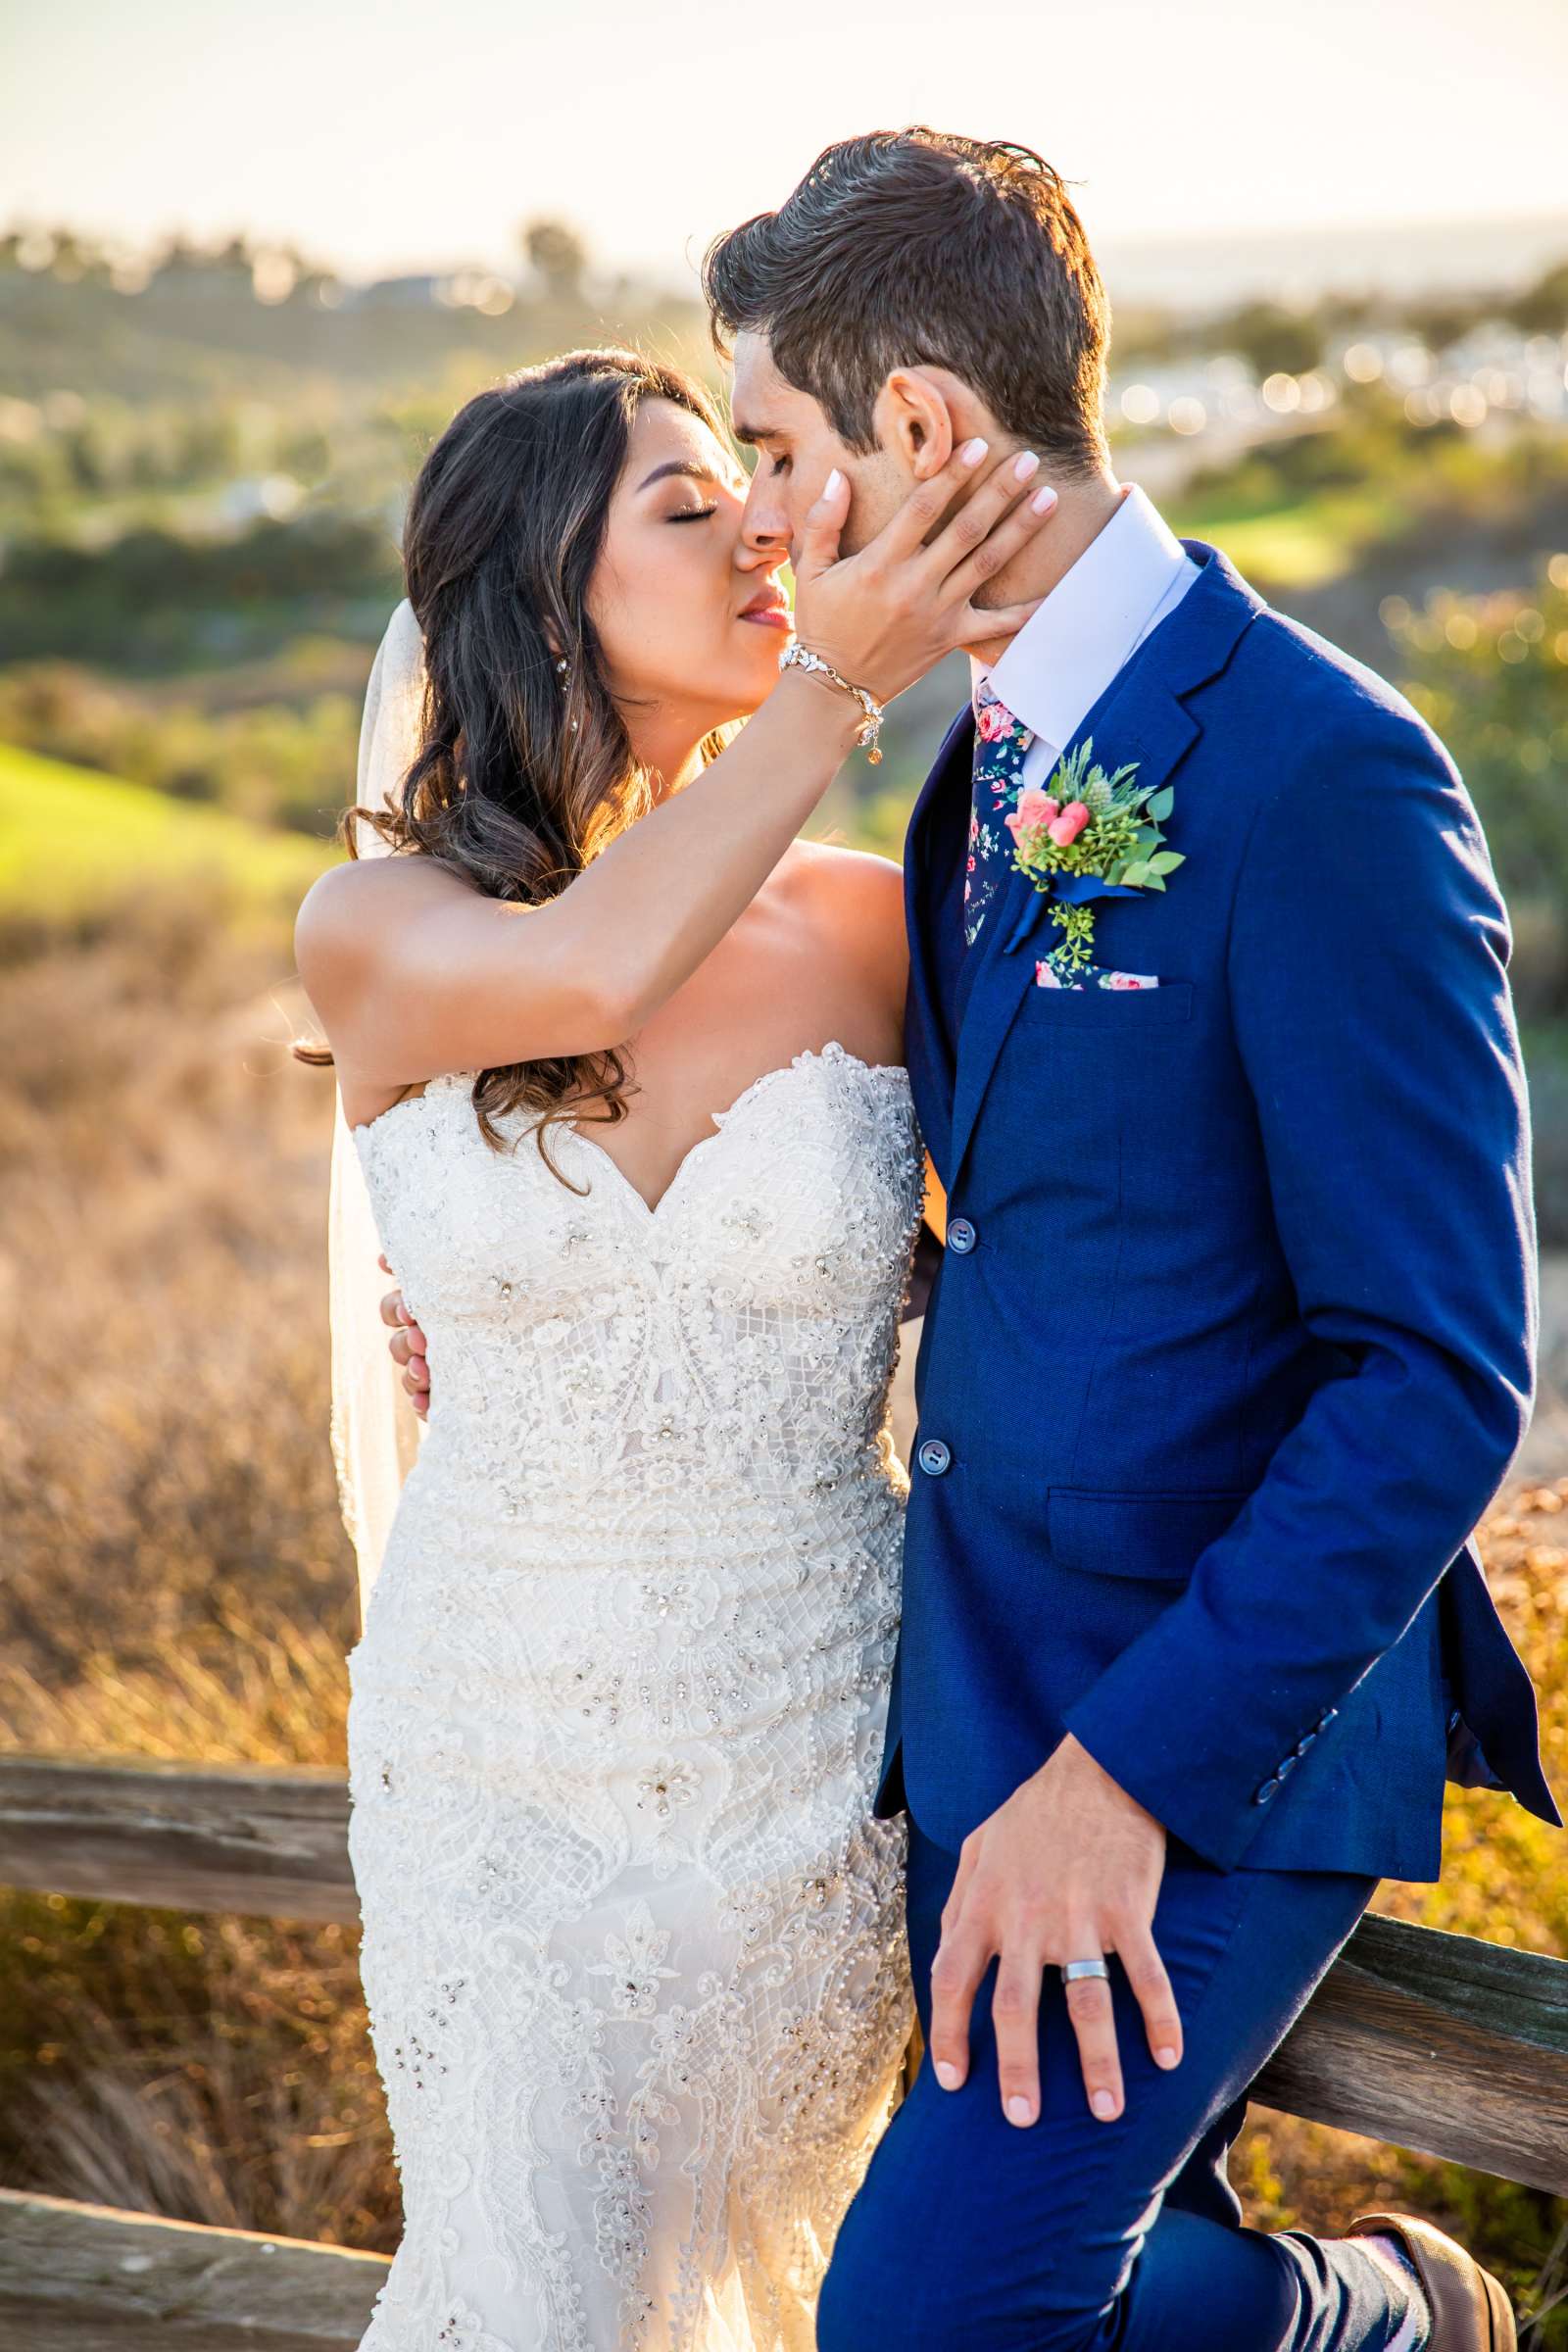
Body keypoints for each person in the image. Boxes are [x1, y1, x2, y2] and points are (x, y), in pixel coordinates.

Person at [687, 128, 1551, 2352]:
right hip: (975, 1699)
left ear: (919, 428)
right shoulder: (967, 767)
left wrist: (1123, 1784)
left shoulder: (1317, 774)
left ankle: (1370, 2317)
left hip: (1201, 1747)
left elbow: (1432, 1373)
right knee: (1030, 2293)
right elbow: (1037, 1212)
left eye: (778, 448)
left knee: (919, 2322)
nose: (766, 516)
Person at [296, 342, 1057, 2349]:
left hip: (807, 1758)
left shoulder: (886, 928)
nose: (753, 535)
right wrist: (845, 682)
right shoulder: (375, 932)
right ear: (545, 585)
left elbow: (1015, 1256)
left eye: (749, 487)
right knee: (535, 2301)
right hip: (493, 1765)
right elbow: (590, 966)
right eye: (682, 501)